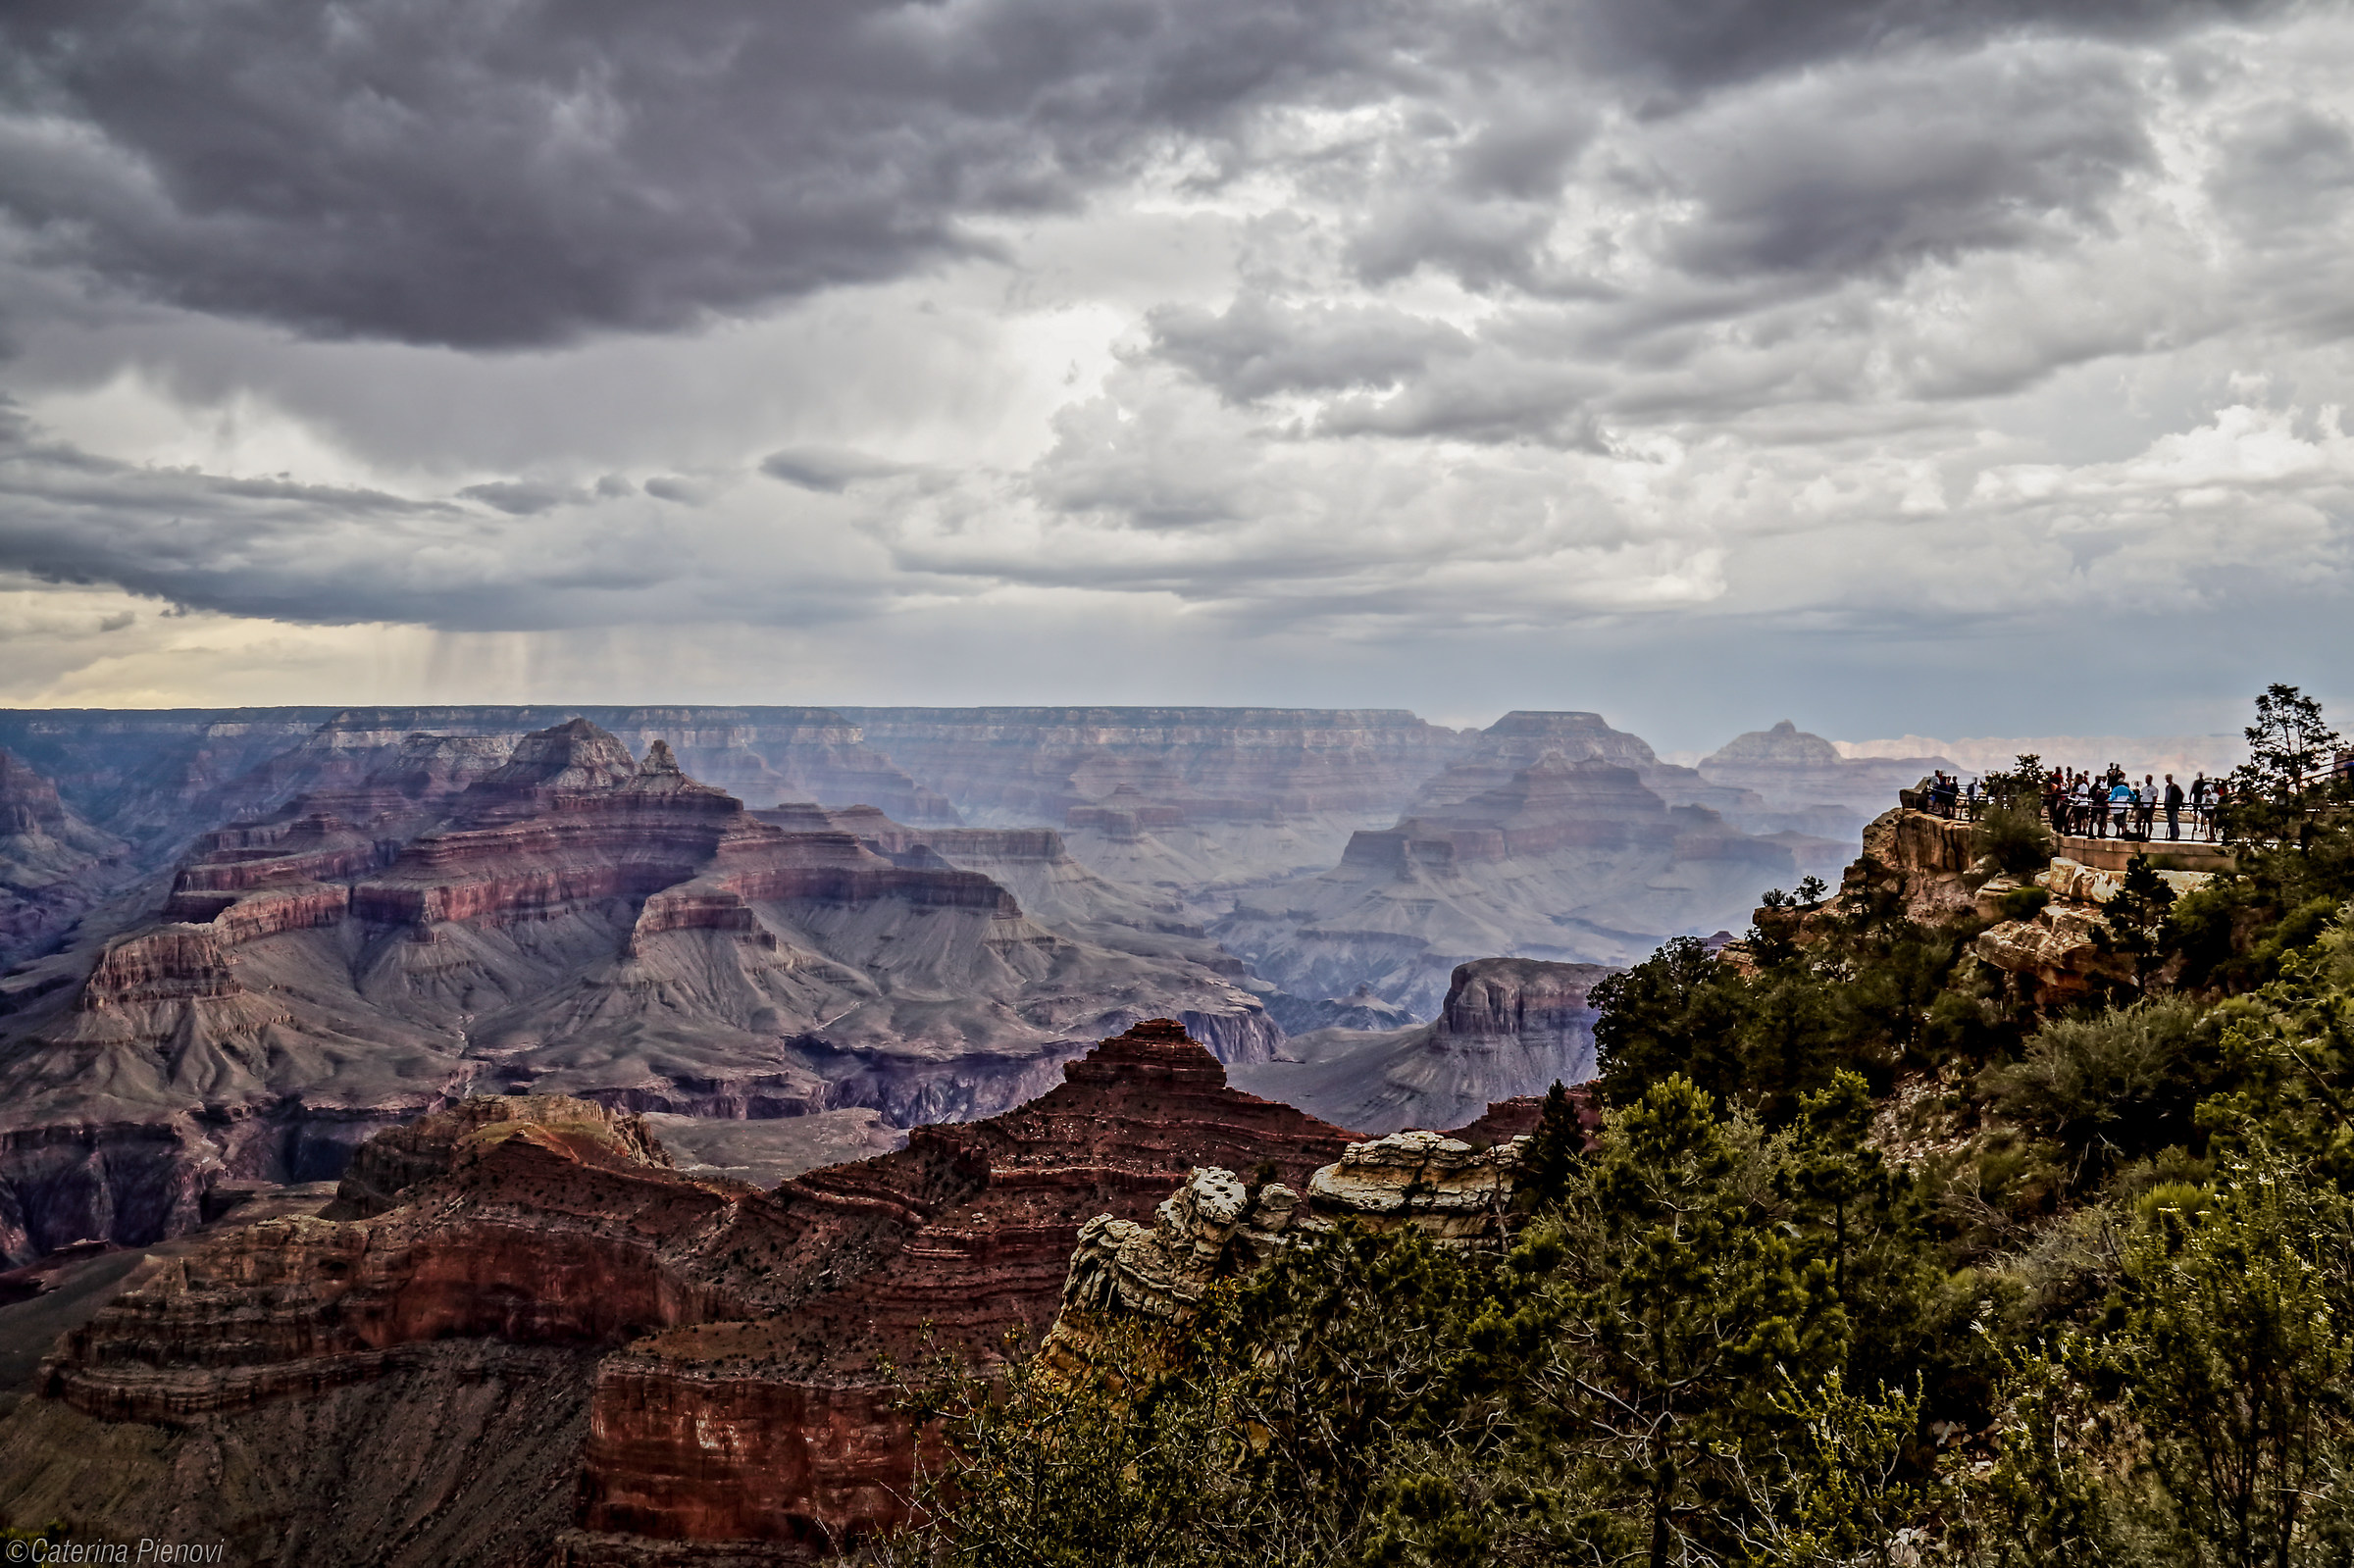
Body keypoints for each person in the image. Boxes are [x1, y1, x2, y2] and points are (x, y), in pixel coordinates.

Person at [2164, 773, 2184, 840]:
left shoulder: (2175, 787)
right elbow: (2166, 796)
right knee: (2170, 821)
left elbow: (2181, 795)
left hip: (2174, 807)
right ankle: (2172, 835)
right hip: (2168, 806)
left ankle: (2176, 835)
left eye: (2168, 779)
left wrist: (2178, 804)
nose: (2167, 780)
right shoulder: (2167, 787)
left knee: (2174, 821)